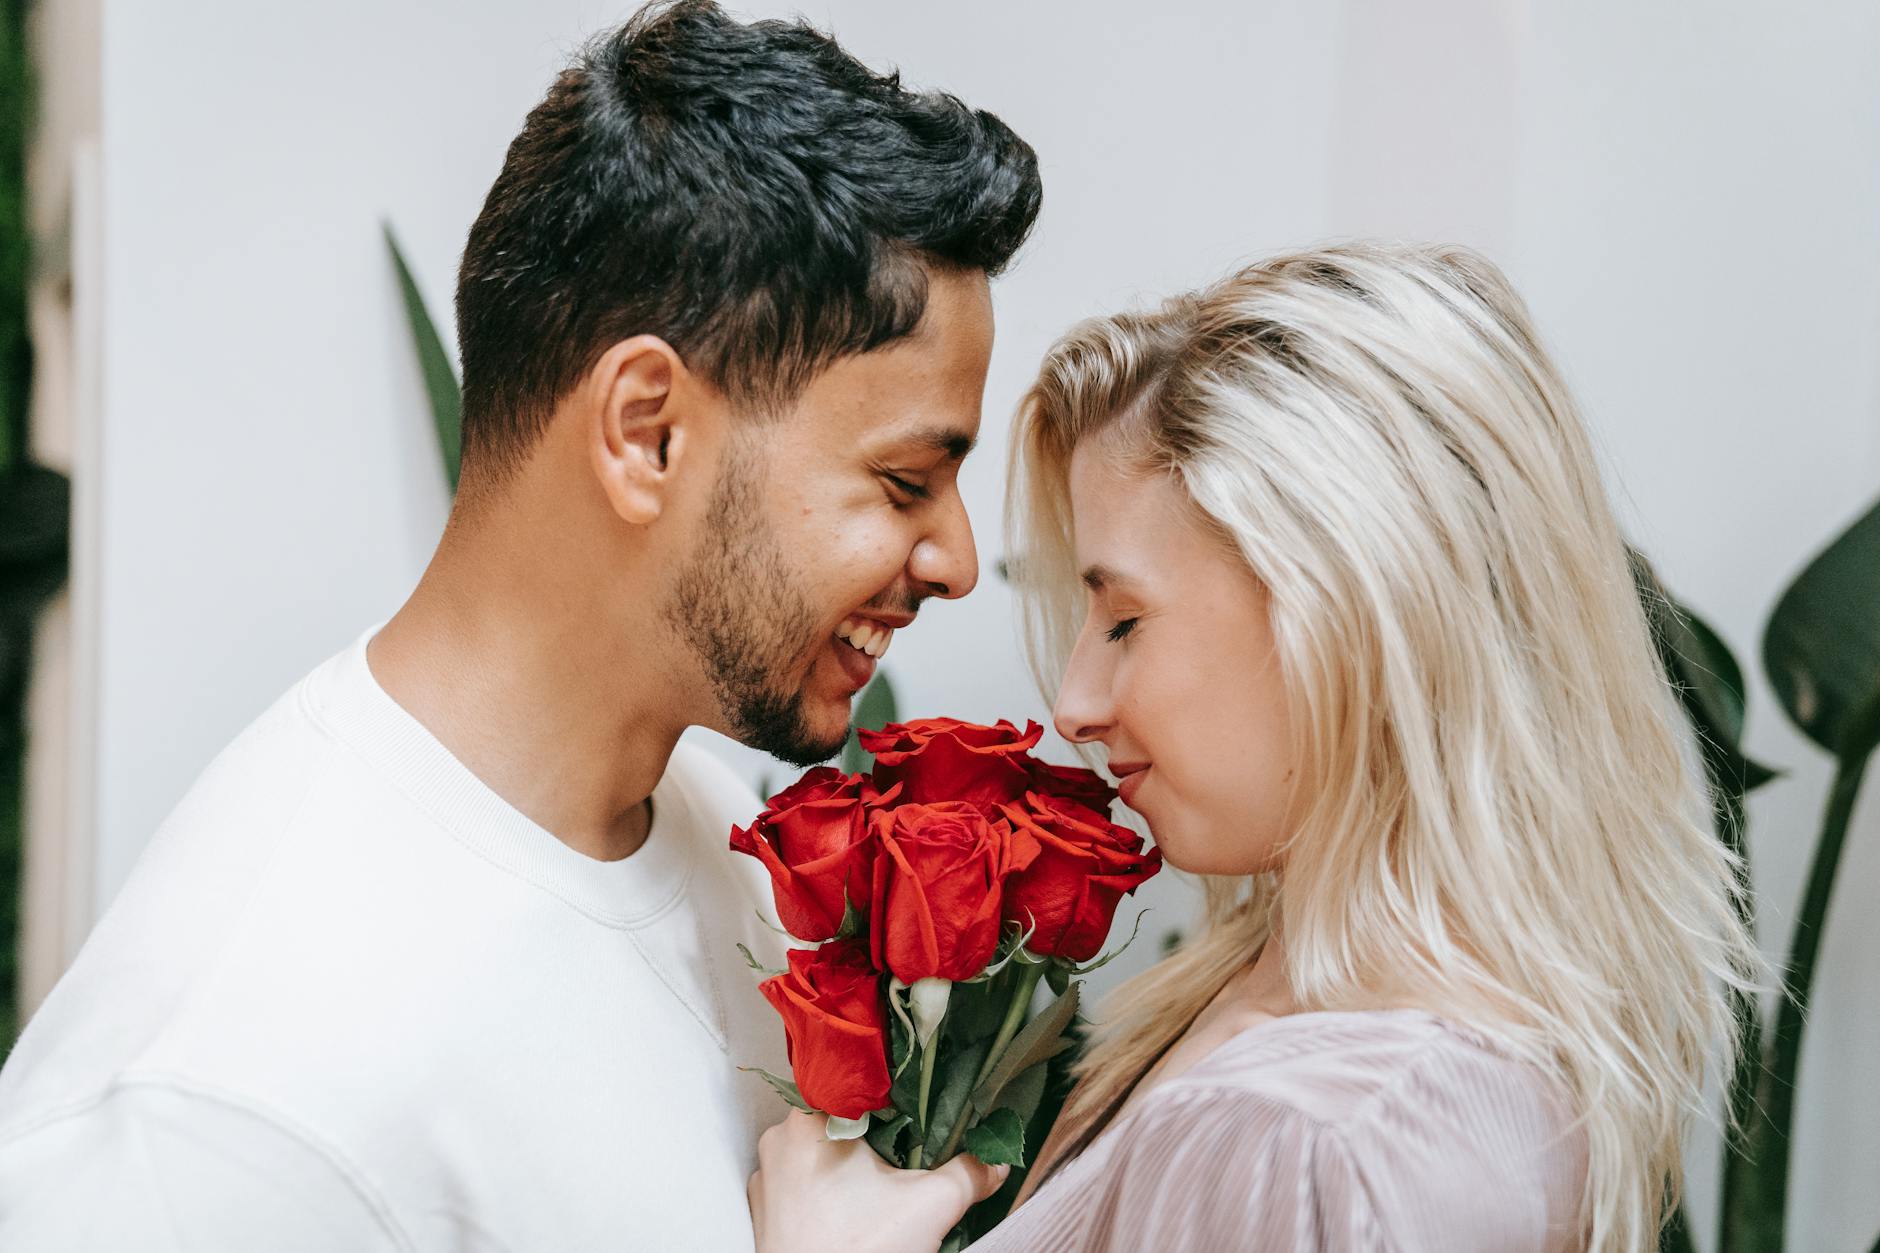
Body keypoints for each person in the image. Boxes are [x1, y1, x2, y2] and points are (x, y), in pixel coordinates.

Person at [0, 2, 1036, 1248]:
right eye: (904, 481)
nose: (959, 561)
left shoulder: (707, 823)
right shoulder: (231, 1101)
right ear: (647, 430)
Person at [746, 242, 1765, 1252]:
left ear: (1349, 613)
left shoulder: (1307, 1138)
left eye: (1124, 619)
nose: (1074, 704)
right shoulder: (1333, 1033)